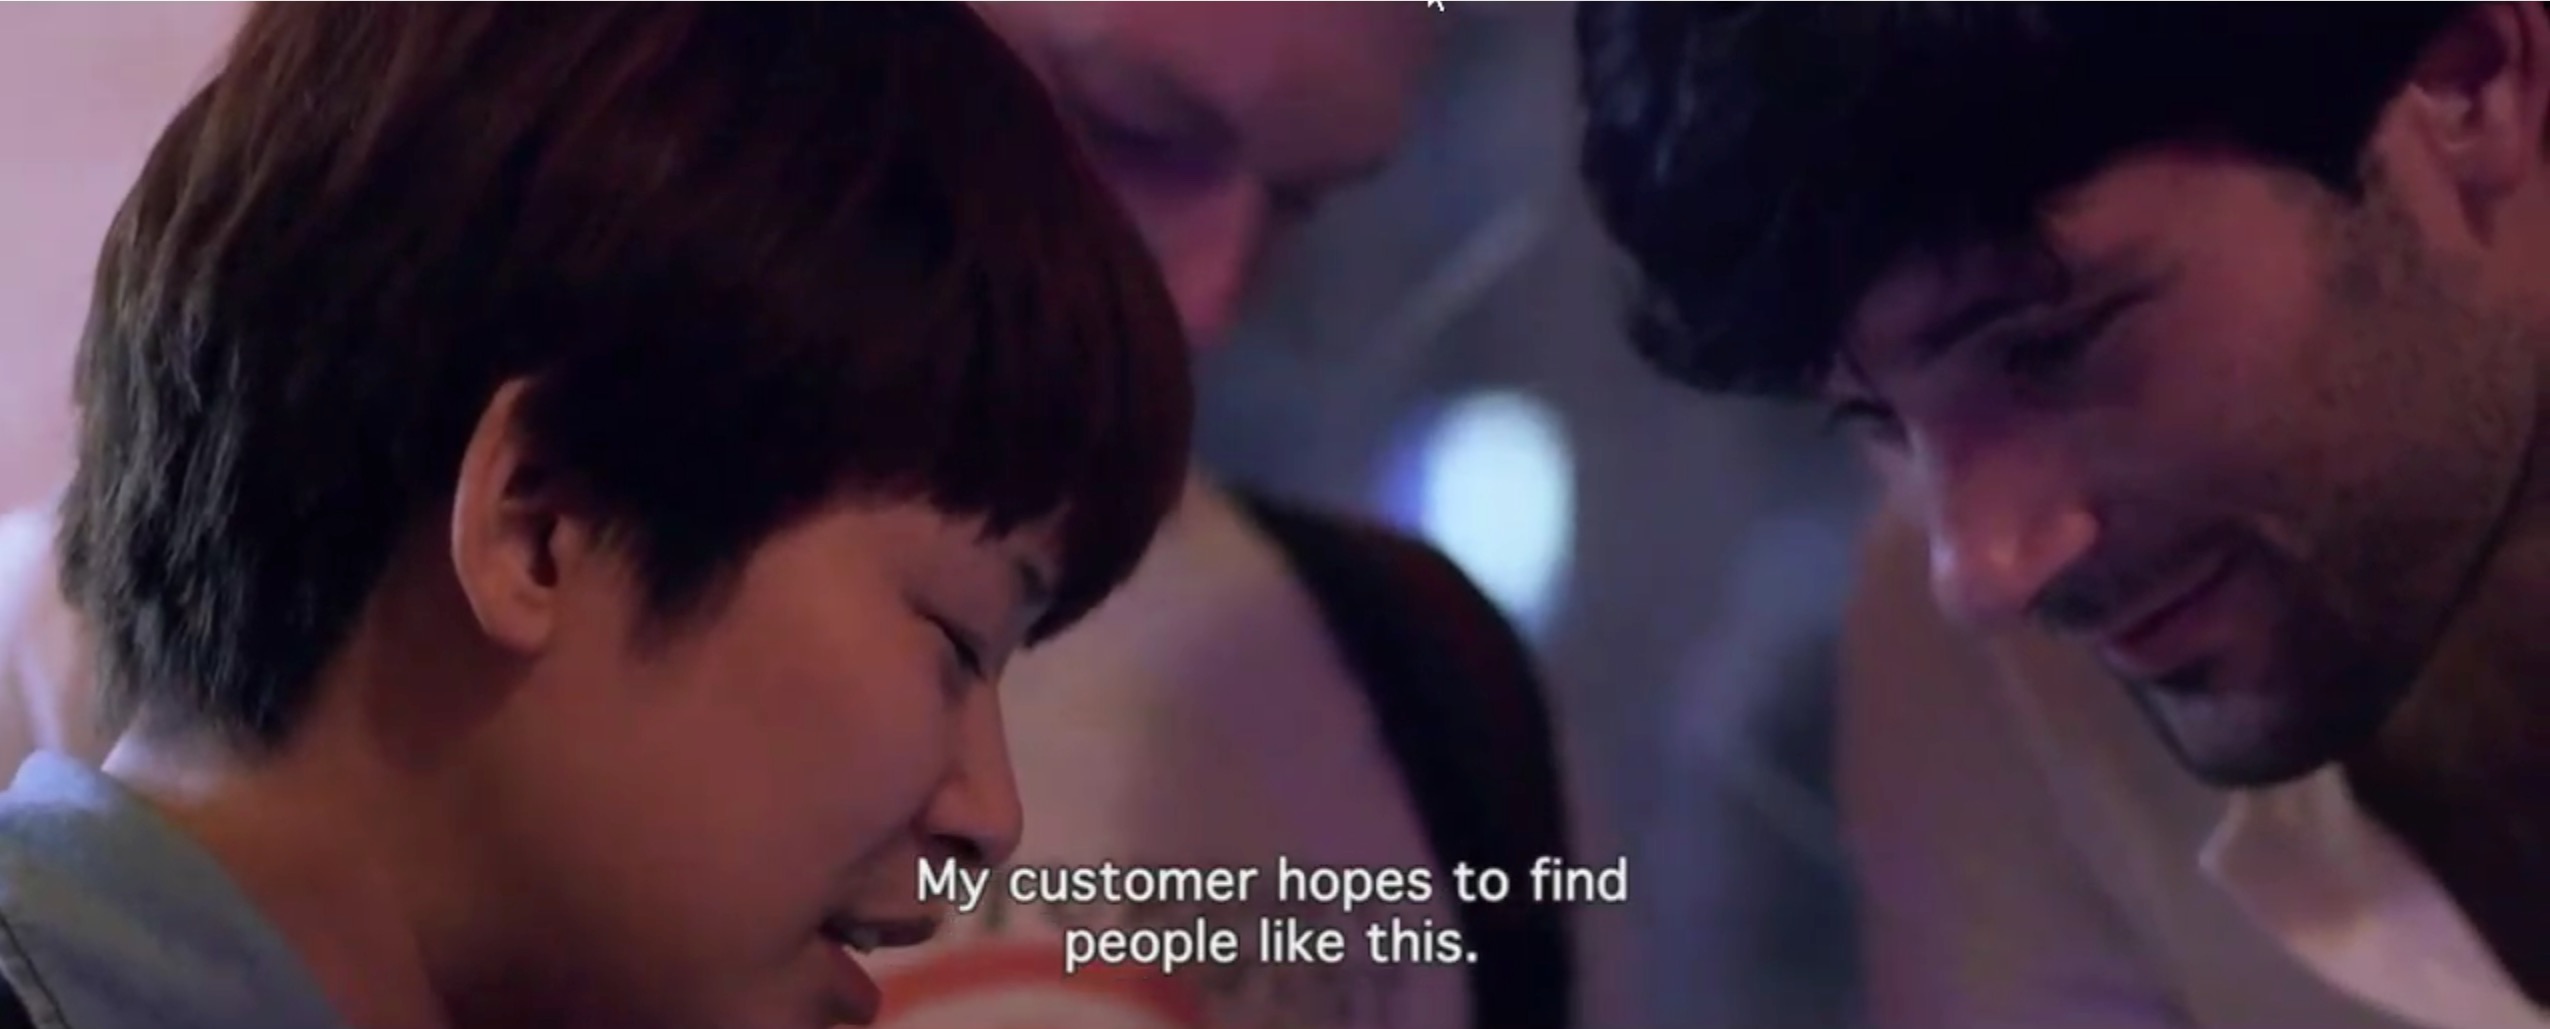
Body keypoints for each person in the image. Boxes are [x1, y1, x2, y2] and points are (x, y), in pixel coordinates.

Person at [0, 5, 1583, 1029]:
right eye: (954, 641)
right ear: (539, 522)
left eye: (1299, 200)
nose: (989, 812)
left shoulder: (1410, 686)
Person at [1580, 3, 2550, 1028]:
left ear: (2469, 83)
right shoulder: (2003, 678)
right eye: (1880, 421)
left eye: (2048, 348)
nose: (1979, 572)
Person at [857, 6, 1582, 1028]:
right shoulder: (618, 619)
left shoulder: (1429, 685)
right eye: (1132, 130)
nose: (1211, 301)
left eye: (1302, 202)